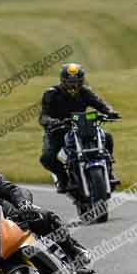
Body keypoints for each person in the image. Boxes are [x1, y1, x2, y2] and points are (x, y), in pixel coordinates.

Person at [39, 63, 121, 193]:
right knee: (47, 158)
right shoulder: (51, 94)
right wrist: (52, 122)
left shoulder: (85, 92)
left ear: (81, 81)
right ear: (62, 80)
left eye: (77, 82)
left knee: (108, 138)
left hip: (82, 127)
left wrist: (110, 112)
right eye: (69, 82)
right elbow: (43, 116)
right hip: (58, 131)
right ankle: (63, 178)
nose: (73, 85)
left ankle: (109, 172)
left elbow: (100, 104)